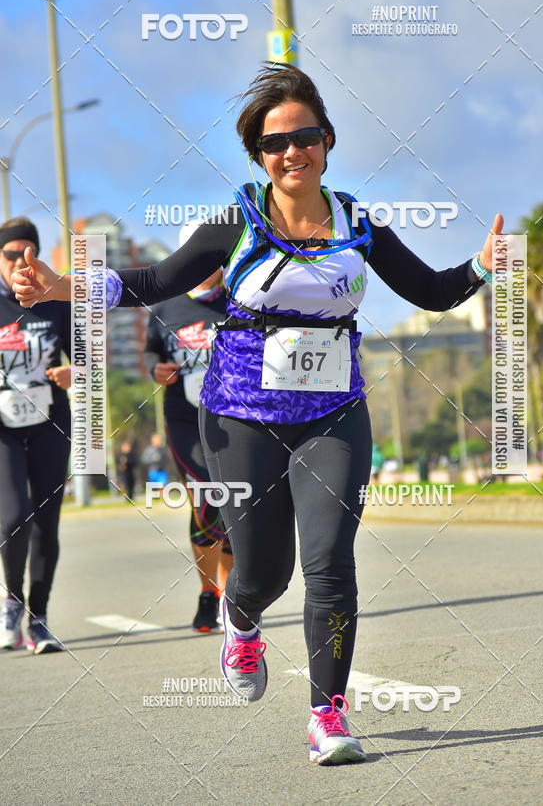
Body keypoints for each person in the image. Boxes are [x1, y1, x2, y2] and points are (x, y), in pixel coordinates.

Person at [10, 64, 501, 763]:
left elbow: (431, 290)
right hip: (240, 416)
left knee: (329, 560)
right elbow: (150, 281)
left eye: (305, 136)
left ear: (327, 141)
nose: (292, 152)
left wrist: (482, 266)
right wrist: (62, 284)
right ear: (260, 156)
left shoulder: (360, 223)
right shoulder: (233, 224)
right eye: (276, 144)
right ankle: (242, 619)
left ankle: (327, 715)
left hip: (334, 414)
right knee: (264, 571)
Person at [144, 243, 233, 633]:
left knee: (237, 503)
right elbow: (150, 352)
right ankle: (208, 591)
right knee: (207, 496)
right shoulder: (165, 306)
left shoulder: (239, 301)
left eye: (212, 261)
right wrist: (155, 369)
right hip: (185, 419)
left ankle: (232, 598)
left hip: (237, 418)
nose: (205, 269)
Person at [0, 217, 72, 654]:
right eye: (11, 253)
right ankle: (12, 603)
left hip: (50, 421)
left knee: (47, 522)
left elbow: (87, 359)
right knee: (13, 519)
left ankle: (39, 618)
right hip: (3, 429)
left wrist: (73, 371)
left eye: (29, 254)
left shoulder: (55, 302)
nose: (19, 262)